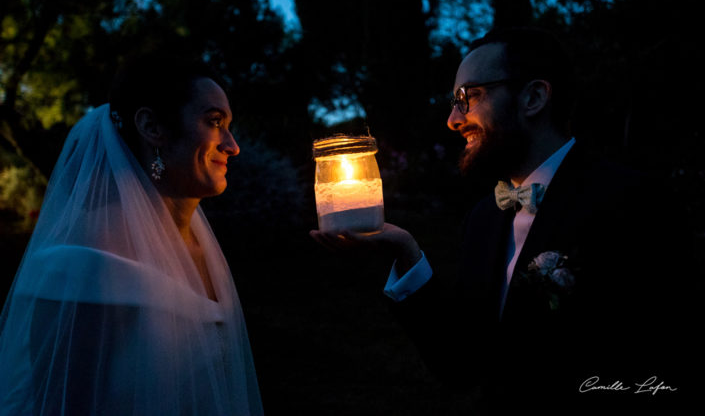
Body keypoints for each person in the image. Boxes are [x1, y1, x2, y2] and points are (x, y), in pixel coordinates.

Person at [311, 27, 702, 415]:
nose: (452, 119)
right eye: (453, 101)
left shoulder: (632, 204)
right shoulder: (484, 219)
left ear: (533, 97)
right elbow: (461, 366)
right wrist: (406, 252)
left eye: (469, 97)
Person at [0, 54, 264, 415]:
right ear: (152, 127)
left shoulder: (204, 248)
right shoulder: (85, 255)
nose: (232, 146)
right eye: (214, 121)